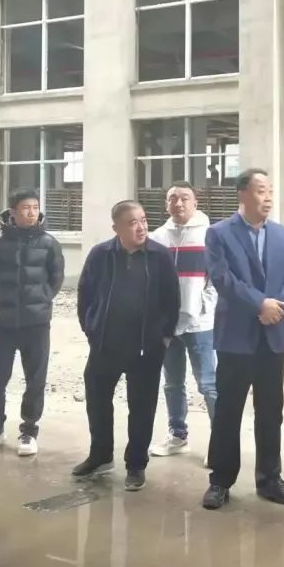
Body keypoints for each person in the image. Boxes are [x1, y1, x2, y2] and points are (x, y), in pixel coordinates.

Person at [201, 169, 284, 510]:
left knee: (271, 411)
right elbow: (222, 278)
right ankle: (220, 481)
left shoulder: (283, 235)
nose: (268, 197)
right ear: (242, 194)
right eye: (261, 190)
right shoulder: (219, 233)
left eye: (270, 191)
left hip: (272, 336)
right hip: (236, 337)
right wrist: (260, 304)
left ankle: (270, 479)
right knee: (229, 410)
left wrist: (277, 306)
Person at [72, 201, 180, 492]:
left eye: (143, 220)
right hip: (105, 345)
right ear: (116, 228)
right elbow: (85, 293)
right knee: (97, 402)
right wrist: (90, 328)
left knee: (142, 407)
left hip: (146, 348)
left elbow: (172, 299)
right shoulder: (101, 254)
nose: (141, 227)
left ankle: (136, 464)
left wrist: (164, 336)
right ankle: (100, 456)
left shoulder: (159, 256)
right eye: (132, 222)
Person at [0, 188, 65, 457]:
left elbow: (55, 279)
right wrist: (2, 301)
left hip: (37, 324)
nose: (31, 212)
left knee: (35, 379)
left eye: (35, 207)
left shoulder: (49, 244)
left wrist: (41, 299)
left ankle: (29, 432)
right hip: (2, 324)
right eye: (25, 208)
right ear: (12, 212)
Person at [148, 182, 219, 458]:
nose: (178, 203)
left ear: (195, 203)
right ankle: (178, 435)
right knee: (172, 383)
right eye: (172, 198)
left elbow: (217, 278)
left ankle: (221, 442)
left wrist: (204, 306)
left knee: (208, 384)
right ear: (166, 204)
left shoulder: (210, 236)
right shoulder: (158, 238)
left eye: (185, 198)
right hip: (168, 326)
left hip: (201, 325)